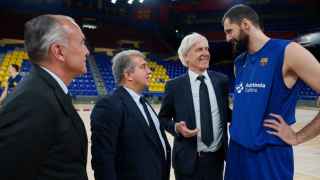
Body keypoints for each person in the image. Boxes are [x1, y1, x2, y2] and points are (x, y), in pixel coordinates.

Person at [221, 4, 320, 180]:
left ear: (245, 24)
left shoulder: (289, 51)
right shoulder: (239, 62)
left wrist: (298, 137)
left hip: (269, 156)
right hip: (237, 153)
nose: (227, 38)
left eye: (229, 31)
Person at [0, 14, 90, 180]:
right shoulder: (31, 101)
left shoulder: (46, 91)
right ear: (59, 51)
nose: (87, 51)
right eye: (82, 43)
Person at [159, 32, 231, 180]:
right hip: (187, 160)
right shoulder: (174, 86)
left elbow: (226, 113)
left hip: (216, 160)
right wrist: (176, 128)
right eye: (199, 50)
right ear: (186, 56)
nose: (205, 53)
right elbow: (163, 118)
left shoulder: (221, 81)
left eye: (207, 49)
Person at [91, 50, 171, 180]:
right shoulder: (109, 104)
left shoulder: (144, 103)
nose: (149, 71)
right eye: (143, 67)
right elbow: (103, 159)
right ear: (128, 75)